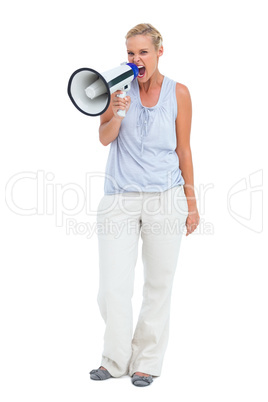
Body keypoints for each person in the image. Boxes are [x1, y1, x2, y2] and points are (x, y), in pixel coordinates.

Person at [90, 23, 200, 387]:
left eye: (143, 52)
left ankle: (146, 362)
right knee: (111, 287)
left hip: (166, 198)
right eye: (131, 53)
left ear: (159, 52)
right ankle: (115, 358)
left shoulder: (178, 93)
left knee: (158, 283)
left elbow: (183, 149)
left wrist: (192, 203)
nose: (136, 60)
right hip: (120, 197)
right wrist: (117, 111)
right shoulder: (116, 89)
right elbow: (105, 138)